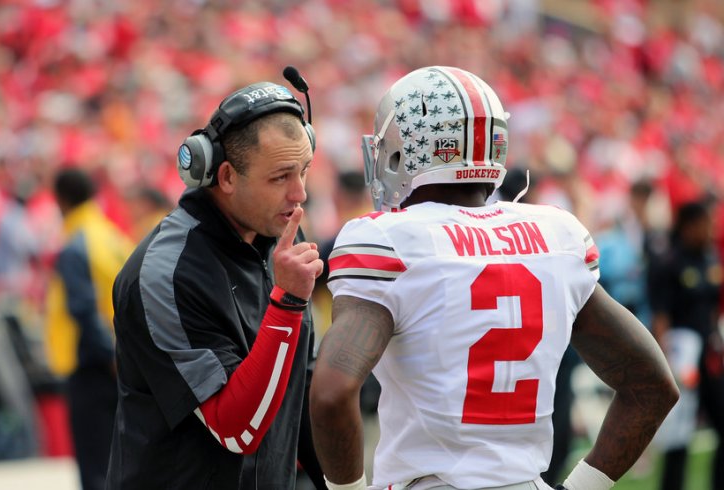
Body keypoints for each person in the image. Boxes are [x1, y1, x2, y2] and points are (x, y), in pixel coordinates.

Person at [309, 66, 679, 490]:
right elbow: (652, 385)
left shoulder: (388, 240)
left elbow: (331, 394)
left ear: (402, 151)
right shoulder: (555, 235)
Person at [105, 80, 325, 489]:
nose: (301, 194)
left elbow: (303, 392)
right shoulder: (164, 273)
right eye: (280, 177)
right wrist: (288, 303)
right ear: (224, 176)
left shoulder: (276, 235)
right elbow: (236, 430)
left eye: (304, 170)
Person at [45, 167, 133, 490]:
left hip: (91, 365)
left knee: (95, 466)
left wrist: (108, 355)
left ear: (61, 200)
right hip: (120, 362)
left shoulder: (74, 245)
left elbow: (82, 310)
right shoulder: (113, 236)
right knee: (118, 461)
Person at [648, 200, 724, 490]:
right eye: (707, 223)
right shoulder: (669, 261)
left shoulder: (709, 258)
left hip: (709, 354)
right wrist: (666, 362)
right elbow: (661, 316)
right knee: (679, 436)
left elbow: (712, 306)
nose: (711, 230)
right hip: (682, 357)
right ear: (690, 225)